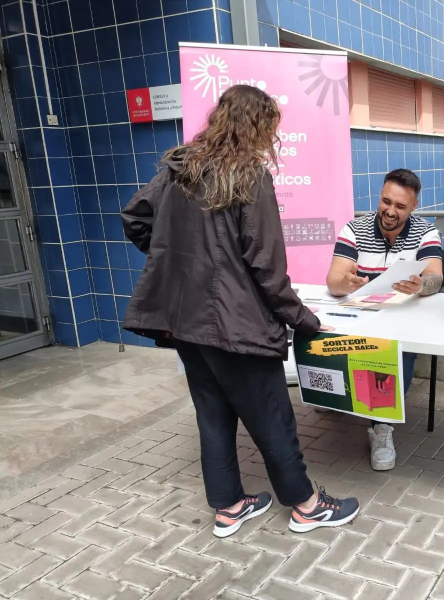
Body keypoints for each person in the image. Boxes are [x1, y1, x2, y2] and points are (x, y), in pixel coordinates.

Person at [121, 85, 358, 538]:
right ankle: (306, 506)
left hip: (185, 323)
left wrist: (179, 261)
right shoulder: (249, 174)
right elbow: (266, 266)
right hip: (237, 327)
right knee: (272, 417)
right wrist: (305, 320)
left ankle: (229, 507)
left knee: (212, 414)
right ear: (259, 126)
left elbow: (135, 218)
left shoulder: (179, 169)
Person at [326, 169, 443, 470]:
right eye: (385, 201)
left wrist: (422, 285)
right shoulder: (355, 229)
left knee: (395, 348)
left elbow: (435, 277)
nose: (390, 211)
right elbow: (334, 280)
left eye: (400, 206)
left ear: (414, 206)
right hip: (361, 314)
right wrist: (347, 283)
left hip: (402, 317)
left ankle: (382, 428)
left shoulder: (425, 232)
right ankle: (336, 400)